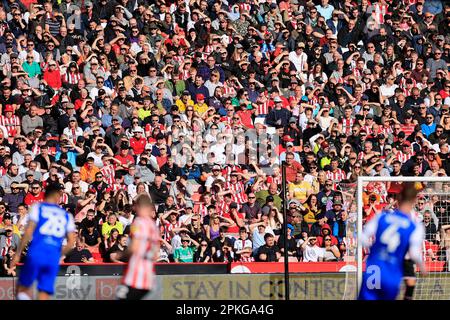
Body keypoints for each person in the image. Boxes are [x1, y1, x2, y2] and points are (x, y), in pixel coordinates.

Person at [359, 183, 426, 300]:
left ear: (398, 198)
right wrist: (422, 266)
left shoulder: (381, 217)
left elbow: (362, 237)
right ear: (414, 200)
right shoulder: (415, 226)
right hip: (391, 272)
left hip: (374, 269)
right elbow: (415, 253)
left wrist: (374, 247)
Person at [12, 184, 76, 300]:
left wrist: (17, 253)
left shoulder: (38, 207)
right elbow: (71, 242)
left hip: (37, 251)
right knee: (44, 293)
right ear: (58, 197)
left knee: (22, 289)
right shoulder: (67, 216)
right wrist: (58, 255)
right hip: (52, 257)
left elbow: (29, 231)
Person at [116, 194, 160, 300]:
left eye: (135, 206)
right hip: (148, 276)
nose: (134, 209)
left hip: (135, 275)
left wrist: (119, 255)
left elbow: (134, 247)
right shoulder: (153, 226)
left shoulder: (138, 223)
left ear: (139, 206)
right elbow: (155, 254)